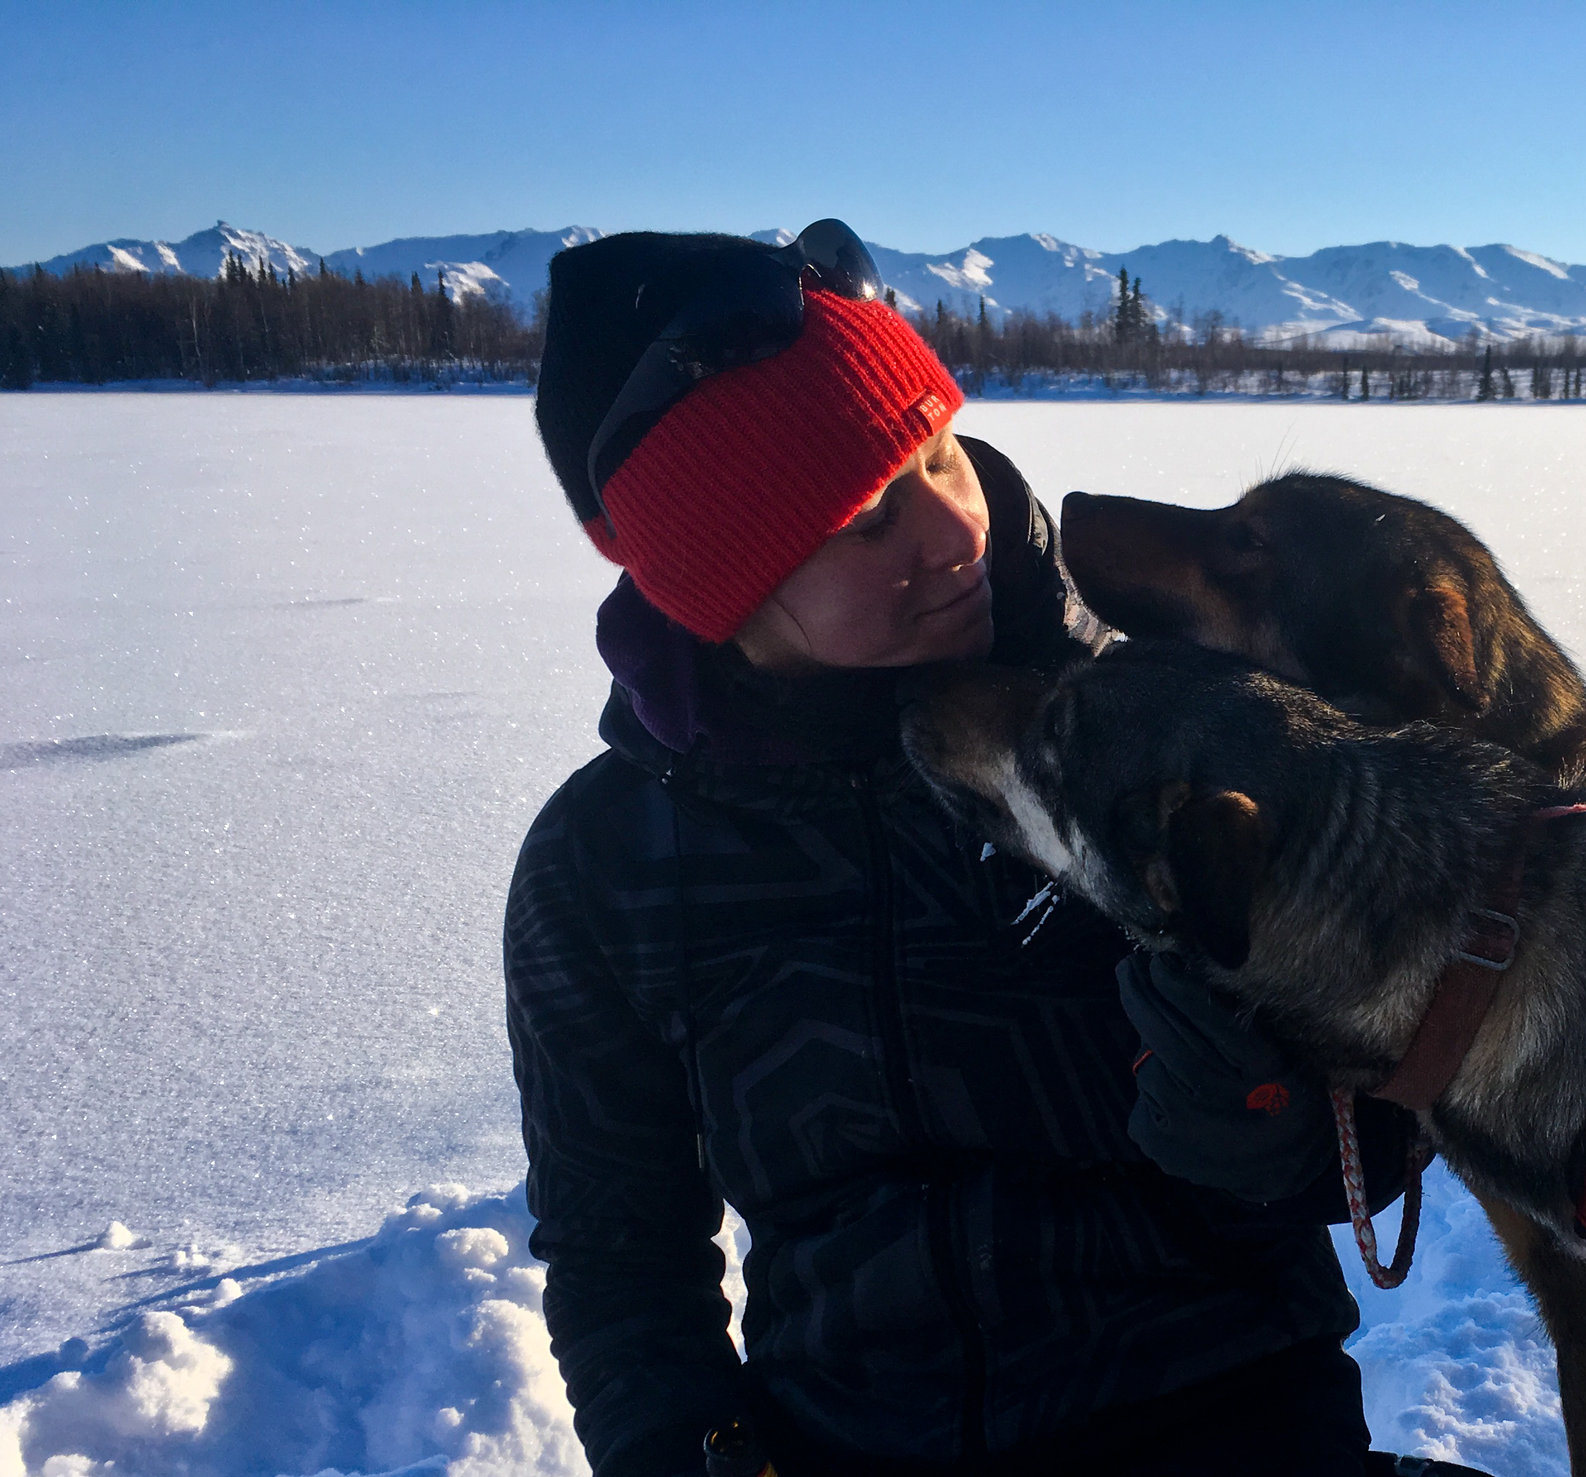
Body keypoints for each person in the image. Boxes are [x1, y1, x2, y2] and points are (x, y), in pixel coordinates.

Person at [505, 223, 1443, 1477]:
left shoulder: (1185, 728)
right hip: (853, 1440)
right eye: (864, 517)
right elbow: (618, 1243)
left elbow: (1399, 1105)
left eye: (939, 453)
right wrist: (694, 1446)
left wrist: (1278, 1127)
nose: (950, 531)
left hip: (1232, 1413)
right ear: (720, 588)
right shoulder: (605, 864)